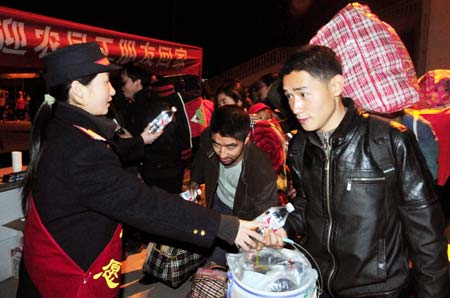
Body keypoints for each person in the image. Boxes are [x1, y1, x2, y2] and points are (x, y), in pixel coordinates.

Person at [16, 42, 264, 297]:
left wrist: (140, 141)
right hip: (70, 278)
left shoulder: (63, 129)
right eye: (105, 82)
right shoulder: (80, 149)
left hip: (50, 265)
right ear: (78, 91)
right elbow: (145, 204)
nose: (113, 91)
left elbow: (103, 159)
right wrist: (223, 227)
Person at [263, 45, 449, 297]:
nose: (295, 107)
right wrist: (282, 228)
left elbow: (425, 232)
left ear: (336, 86)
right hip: (319, 285)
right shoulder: (299, 146)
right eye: (289, 96)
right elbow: (307, 205)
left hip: (380, 290)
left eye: (303, 94)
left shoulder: (389, 140)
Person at [189, 105, 279, 267]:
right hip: (216, 201)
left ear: (246, 140)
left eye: (231, 146)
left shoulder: (261, 171)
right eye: (217, 145)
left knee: (224, 263)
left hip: (243, 215)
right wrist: (195, 179)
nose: (222, 154)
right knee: (209, 251)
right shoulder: (207, 138)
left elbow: (264, 216)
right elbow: (201, 159)